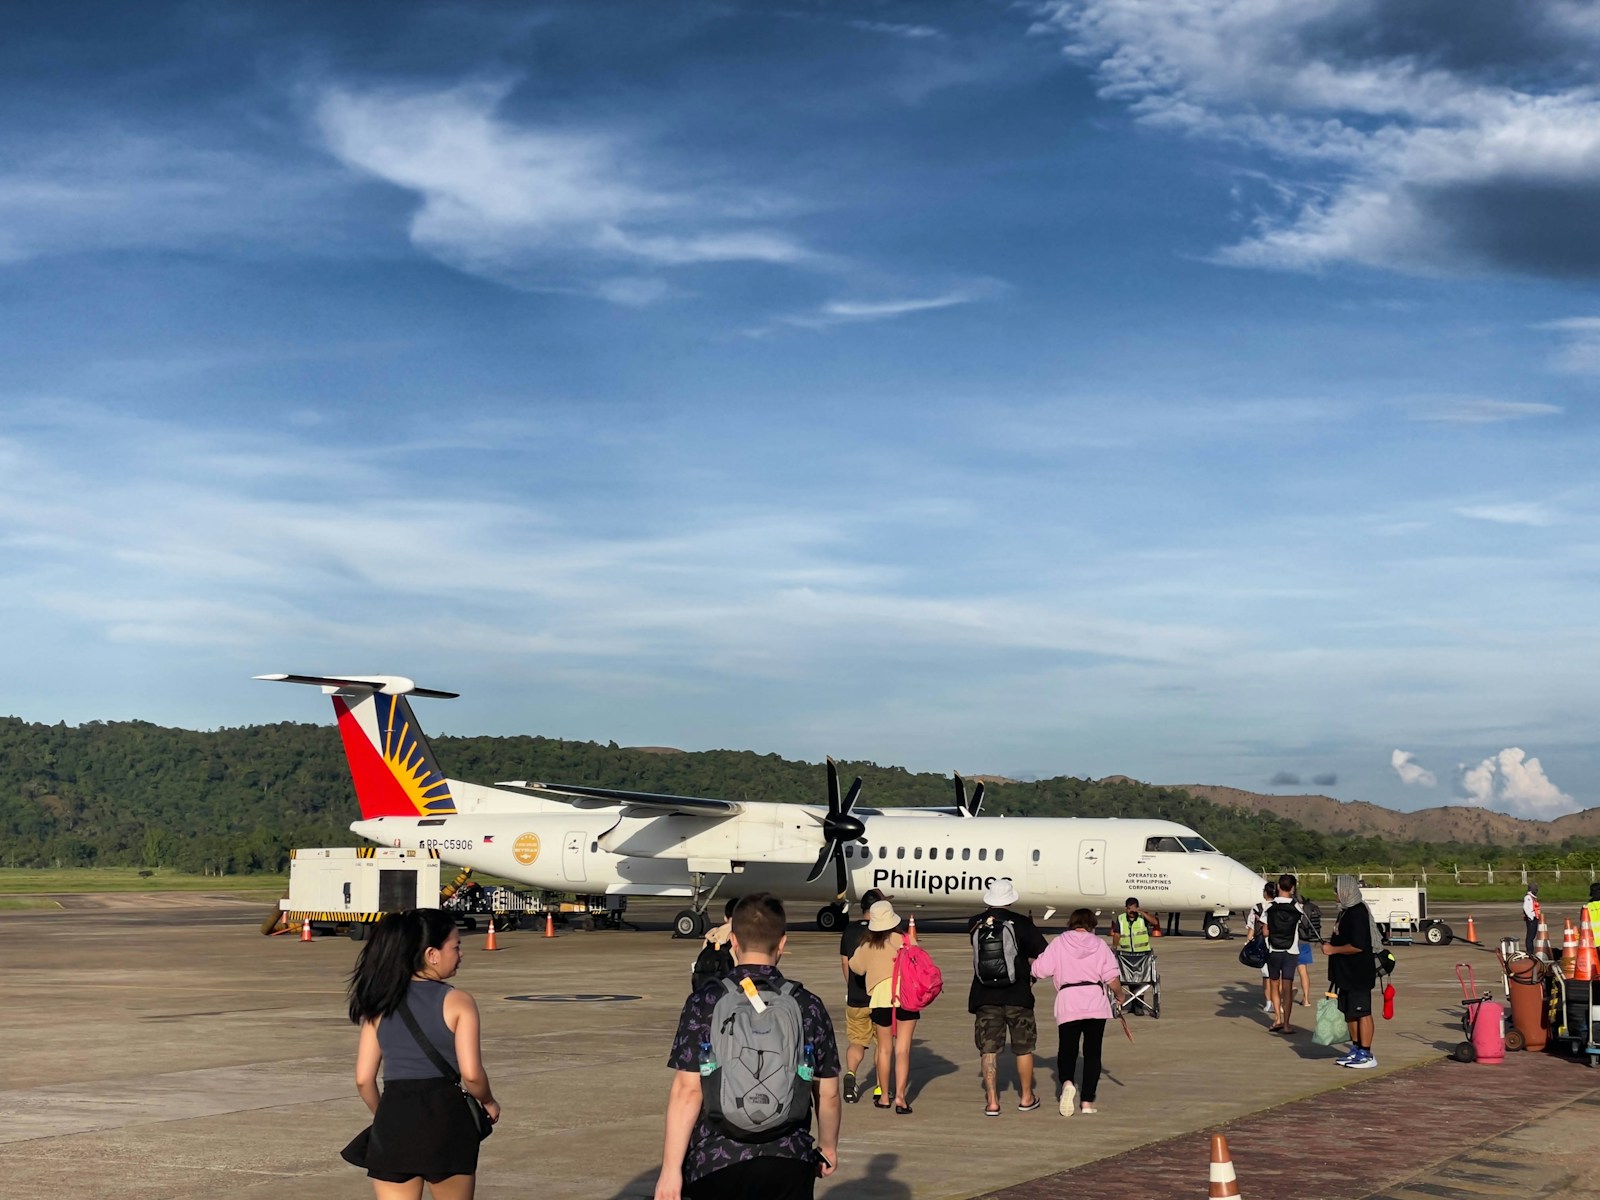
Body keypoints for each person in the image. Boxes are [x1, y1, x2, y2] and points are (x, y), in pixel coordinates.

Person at [657, 893, 841, 1200]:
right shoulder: (807, 1005)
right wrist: (828, 1147)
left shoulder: (705, 1002)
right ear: (782, 943)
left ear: (733, 941)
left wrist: (670, 1169)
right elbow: (828, 1092)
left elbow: (687, 1091)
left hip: (716, 1160)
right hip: (788, 1158)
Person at [346, 908, 501, 1200]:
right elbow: (471, 1074)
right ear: (432, 955)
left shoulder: (379, 1002)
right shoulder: (458, 1001)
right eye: (455, 946)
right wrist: (489, 1101)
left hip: (394, 1117)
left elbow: (363, 1079)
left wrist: (387, 1117)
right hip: (445, 1118)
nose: (460, 954)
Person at [1031, 908, 1126, 1117]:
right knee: (1092, 1053)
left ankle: (1067, 1083)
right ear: (1092, 924)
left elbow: (1040, 970)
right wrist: (1120, 995)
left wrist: (1032, 963)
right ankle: (1087, 1102)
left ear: (1071, 923)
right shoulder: (1100, 944)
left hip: (1069, 1000)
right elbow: (1111, 977)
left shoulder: (1059, 943)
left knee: (1067, 1049)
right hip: (1094, 1000)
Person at [966, 879, 1048, 1116]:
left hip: (984, 995)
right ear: (1011, 899)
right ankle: (1026, 1097)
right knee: (1023, 1049)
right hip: (1018, 995)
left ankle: (992, 1101)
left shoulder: (974, 923)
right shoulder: (1022, 923)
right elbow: (1043, 953)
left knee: (988, 1050)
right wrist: (1031, 975)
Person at [847, 899, 918, 1114]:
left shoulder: (868, 945)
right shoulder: (905, 940)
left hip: (879, 998)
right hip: (906, 995)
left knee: (885, 1049)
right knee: (903, 1049)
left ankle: (884, 1097)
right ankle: (901, 1098)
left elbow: (855, 967)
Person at [1323, 874, 1378, 1069]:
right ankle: (1356, 1048)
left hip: (1358, 973)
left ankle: (1366, 1053)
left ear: (1346, 891)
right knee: (1349, 1013)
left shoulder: (1357, 912)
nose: (1334, 894)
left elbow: (1358, 945)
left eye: (1336, 890)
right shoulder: (1344, 911)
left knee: (1363, 1012)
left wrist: (1333, 949)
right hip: (1344, 973)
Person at [837, 888, 886, 1105]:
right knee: (882, 1044)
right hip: (880, 997)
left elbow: (845, 962)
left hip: (856, 996)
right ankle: (880, 1086)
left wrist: (851, 985)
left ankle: (851, 1074)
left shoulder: (850, 930)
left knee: (857, 1041)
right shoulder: (884, 931)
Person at [1262, 873, 1316, 1035]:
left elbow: (1265, 932)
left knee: (1274, 984)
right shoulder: (1297, 907)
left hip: (1273, 950)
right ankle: (1286, 1024)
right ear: (1292, 888)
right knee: (1287, 987)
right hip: (1291, 951)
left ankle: (1277, 1018)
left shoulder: (1269, 907)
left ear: (1278, 886)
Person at [1246, 882, 1276, 1014]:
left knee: (1266, 976)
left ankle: (1269, 1003)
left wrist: (1248, 942)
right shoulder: (1280, 906)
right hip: (1278, 944)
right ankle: (1278, 1002)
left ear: (1265, 893)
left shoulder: (1257, 907)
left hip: (1262, 944)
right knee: (1278, 975)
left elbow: (1251, 927)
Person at [1292, 883, 1322, 1007]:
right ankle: (1306, 999)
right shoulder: (1304, 904)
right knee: (1303, 971)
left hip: (1291, 942)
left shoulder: (1290, 904)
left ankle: (1287, 993)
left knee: (1287, 971)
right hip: (1304, 940)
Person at [1523, 884, 1541, 954]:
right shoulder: (1528, 897)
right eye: (1535, 889)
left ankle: (1531, 951)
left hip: (1535, 918)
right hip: (1531, 919)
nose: (1536, 890)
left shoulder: (1533, 897)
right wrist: (1530, 917)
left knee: (1532, 936)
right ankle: (1530, 951)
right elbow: (1525, 908)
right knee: (1530, 937)